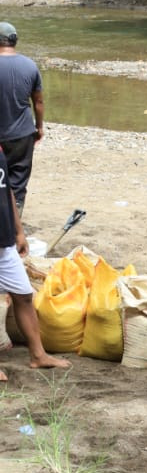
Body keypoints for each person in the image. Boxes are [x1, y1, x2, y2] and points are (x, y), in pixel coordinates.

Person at [0, 146, 70, 380]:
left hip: (5, 242)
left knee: (23, 295)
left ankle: (38, 355)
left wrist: (19, 231)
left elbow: (7, 190)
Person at [0, 22, 44, 218]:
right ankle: (14, 225)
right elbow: (38, 102)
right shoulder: (30, 65)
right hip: (22, 135)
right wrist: (39, 127)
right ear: (15, 41)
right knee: (17, 182)